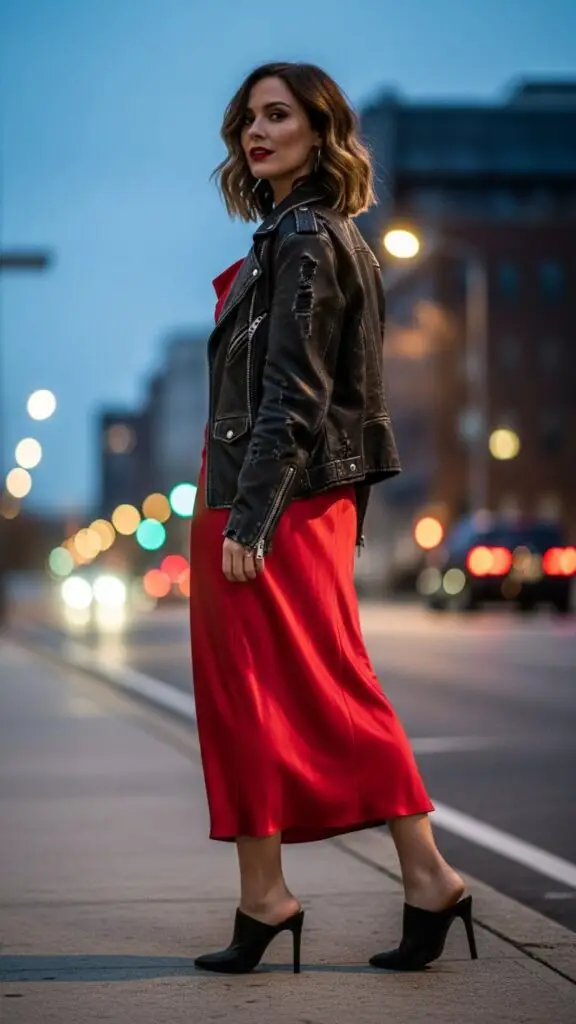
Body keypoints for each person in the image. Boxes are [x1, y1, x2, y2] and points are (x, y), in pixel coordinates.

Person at [189, 61, 477, 975]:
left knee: (324, 685)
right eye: (248, 119)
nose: (256, 132)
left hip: (273, 497)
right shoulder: (296, 232)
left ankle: (423, 875)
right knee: (249, 698)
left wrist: (251, 519)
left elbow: (297, 393)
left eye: (278, 115)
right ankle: (264, 895)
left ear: (320, 129)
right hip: (258, 492)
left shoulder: (307, 236)